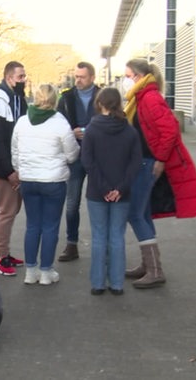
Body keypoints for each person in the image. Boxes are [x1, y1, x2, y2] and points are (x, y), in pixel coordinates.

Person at [123, 59, 196, 288]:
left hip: (147, 163)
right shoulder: (141, 97)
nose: (126, 79)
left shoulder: (149, 98)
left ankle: (154, 269)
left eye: (128, 75)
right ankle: (149, 265)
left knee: (135, 213)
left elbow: (169, 130)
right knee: (144, 212)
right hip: (143, 162)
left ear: (139, 76)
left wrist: (160, 159)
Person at [12, 84, 79, 286]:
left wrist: (21, 169)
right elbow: (72, 153)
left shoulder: (22, 122)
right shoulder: (60, 123)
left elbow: (15, 153)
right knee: (50, 226)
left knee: (32, 225)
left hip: (29, 180)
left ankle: (30, 271)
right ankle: (46, 271)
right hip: (53, 181)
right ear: (54, 100)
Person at [81, 88, 141, 295]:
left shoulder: (91, 130)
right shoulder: (130, 131)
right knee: (117, 236)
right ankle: (116, 283)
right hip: (122, 194)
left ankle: (98, 283)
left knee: (99, 236)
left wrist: (104, 188)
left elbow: (88, 162)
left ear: (100, 104)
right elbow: (135, 163)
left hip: (97, 192)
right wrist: (120, 188)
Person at [0, 61, 28, 276]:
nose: (23, 80)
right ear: (9, 78)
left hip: (11, 165)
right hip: (3, 167)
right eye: (20, 76)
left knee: (12, 210)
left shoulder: (17, 98)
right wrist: (8, 170)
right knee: (7, 211)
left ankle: (4, 252)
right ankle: (0, 257)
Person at [56, 61, 101, 262]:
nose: (78, 80)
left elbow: (114, 121)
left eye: (82, 77)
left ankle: (102, 245)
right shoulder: (66, 97)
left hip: (98, 156)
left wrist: (90, 132)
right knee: (72, 203)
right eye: (76, 76)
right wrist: (69, 132)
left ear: (92, 77)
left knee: (98, 201)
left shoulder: (103, 96)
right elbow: (57, 123)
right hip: (73, 156)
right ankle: (71, 244)